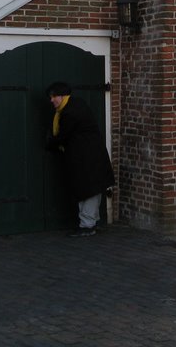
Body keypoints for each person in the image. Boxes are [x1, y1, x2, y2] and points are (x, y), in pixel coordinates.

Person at [45, 81, 115, 237]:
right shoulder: (75, 106)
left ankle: (87, 225)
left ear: (62, 96)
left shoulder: (70, 112)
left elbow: (64, 135)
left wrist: (51, 143)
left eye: (54, 96)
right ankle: (91, 221)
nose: (52, 100)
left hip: (87, 157)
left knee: (87, 188)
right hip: (89, 155)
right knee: (91, 187)